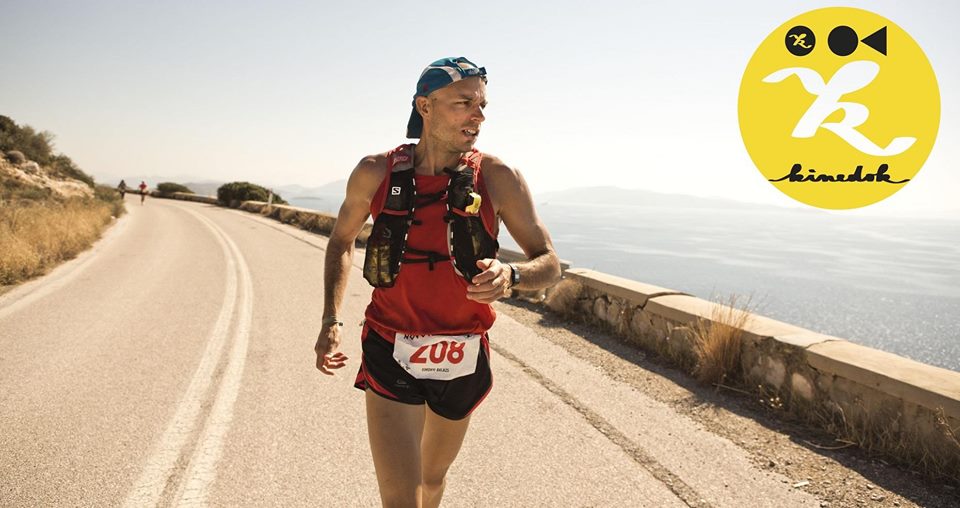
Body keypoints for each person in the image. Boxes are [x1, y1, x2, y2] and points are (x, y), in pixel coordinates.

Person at [315, 57, 561, 508]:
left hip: (461, 352)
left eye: (482, 105)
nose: (478, 116)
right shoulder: (375, 171)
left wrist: (512, 275)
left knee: (430, 482)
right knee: (401, 498)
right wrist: (331, 319)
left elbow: (550, 263)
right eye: (463, 103)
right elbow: (341, 242)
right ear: (424, 107)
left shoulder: (498, 177)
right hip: (390, 345)